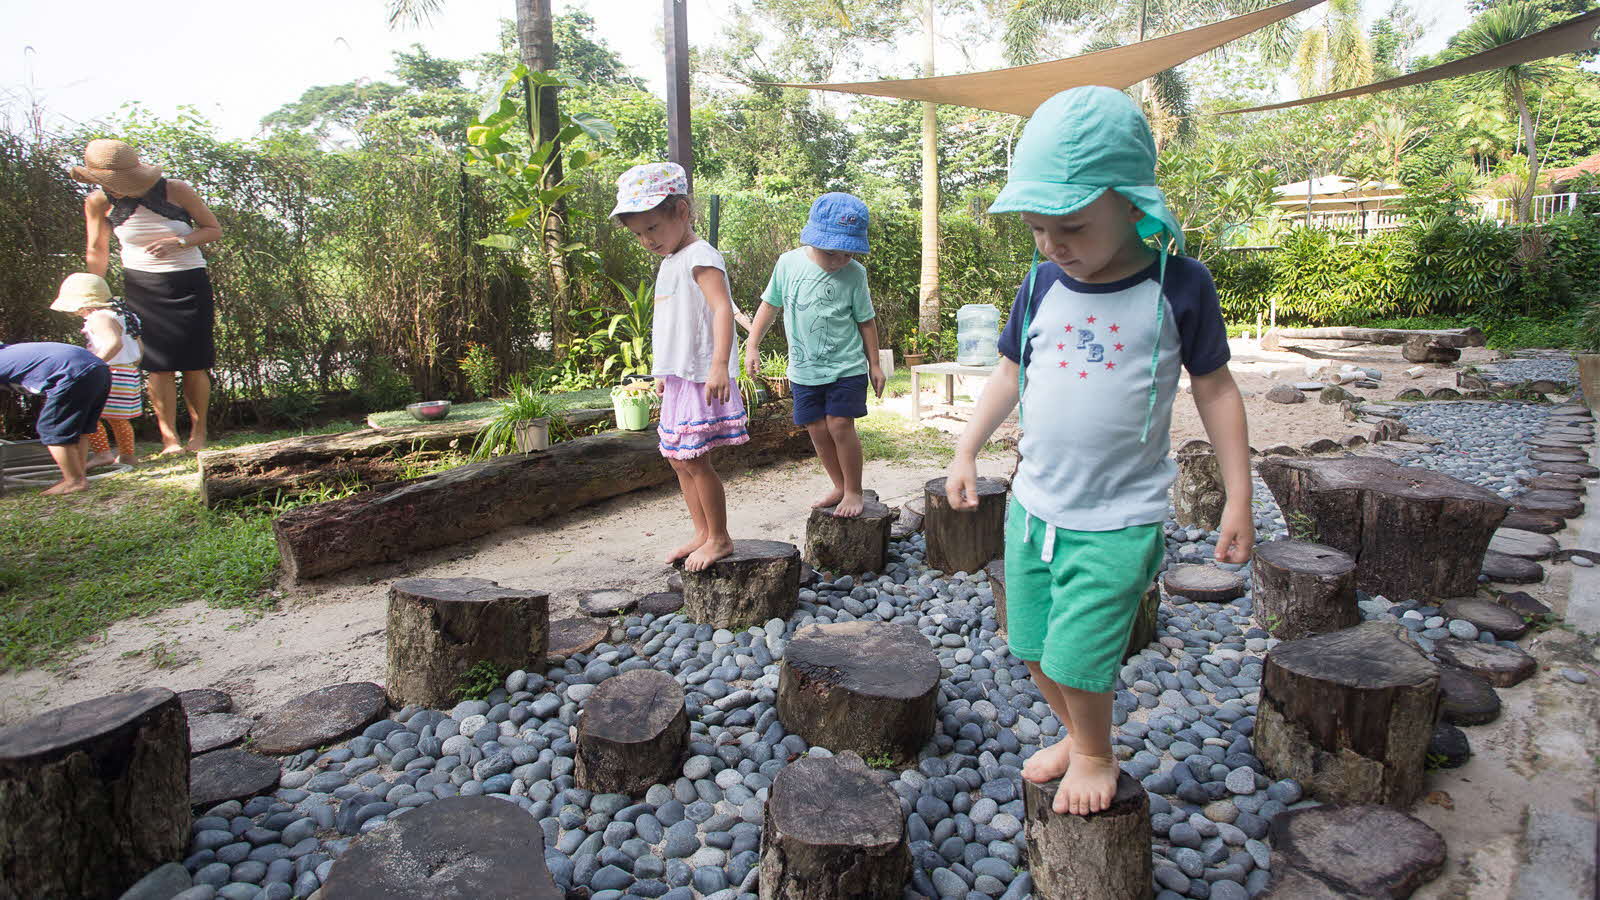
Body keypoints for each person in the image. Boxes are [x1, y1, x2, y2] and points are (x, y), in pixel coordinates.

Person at [942, 86, 1253, 816]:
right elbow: (1012, 372)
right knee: (1030, 647)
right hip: (1034, 507)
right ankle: (1077, 733)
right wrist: (965, 450)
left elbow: (1216, 390)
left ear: (1132, 203)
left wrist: (1238, 494)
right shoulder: (1041, 282)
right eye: (1037, 227)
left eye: (1073, 226)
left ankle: (1093, 750)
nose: (1053, 245)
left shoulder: (1180, 286)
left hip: (1118, 518)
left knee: (1079, 658)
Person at [612, 162, 748, 572]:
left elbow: (722, 309)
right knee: (677, 459)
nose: (646, 240)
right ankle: (701, 533)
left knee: (694, 458)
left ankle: (720, 537)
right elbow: (671, 326)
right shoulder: (669, 261)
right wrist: (661, 373)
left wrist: (721, 365)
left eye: (652, 228)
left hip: (703, 375)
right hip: (678, 377)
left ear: (682, 211)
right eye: (638, 234)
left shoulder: (701, 255)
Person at [76, 139, 221, 455]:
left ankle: (199, 434)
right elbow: (97, 249)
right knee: (158, 366)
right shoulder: (98, 202)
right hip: (142, 286)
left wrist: (180, 241)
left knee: (195, 362)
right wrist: (93, 294)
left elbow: (212, 229)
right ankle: (169, 439)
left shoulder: (176, 189)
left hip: (189, 283)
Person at [743, 193, 884, 518]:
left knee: (839, 424)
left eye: (848, 252)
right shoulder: (788, 263)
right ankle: (837, 484)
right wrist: (753, 344)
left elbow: (866, 321)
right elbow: (769, 306)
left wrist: (874, 364)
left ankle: (853, 489)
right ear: (812, 239)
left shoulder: (855, 274)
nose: (839, 260)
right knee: (816, 428)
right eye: (831, 251)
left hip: (846, 367)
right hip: (804, 371)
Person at [50, 273, 144, 467]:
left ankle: (103, 453)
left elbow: (113, 344)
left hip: (110, 371)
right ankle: (127, 455)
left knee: (90, 414)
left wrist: (92, 365)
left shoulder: (99, 317)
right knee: (118, 418)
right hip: (127, 372)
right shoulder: (124, 315)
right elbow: (139, 348)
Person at [0, 342, 111, 495]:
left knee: (51, 428)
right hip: (98, 368)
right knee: (80, 429)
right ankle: (77, 476)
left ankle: (74, 481)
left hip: (73, 371)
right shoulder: (12, 352)